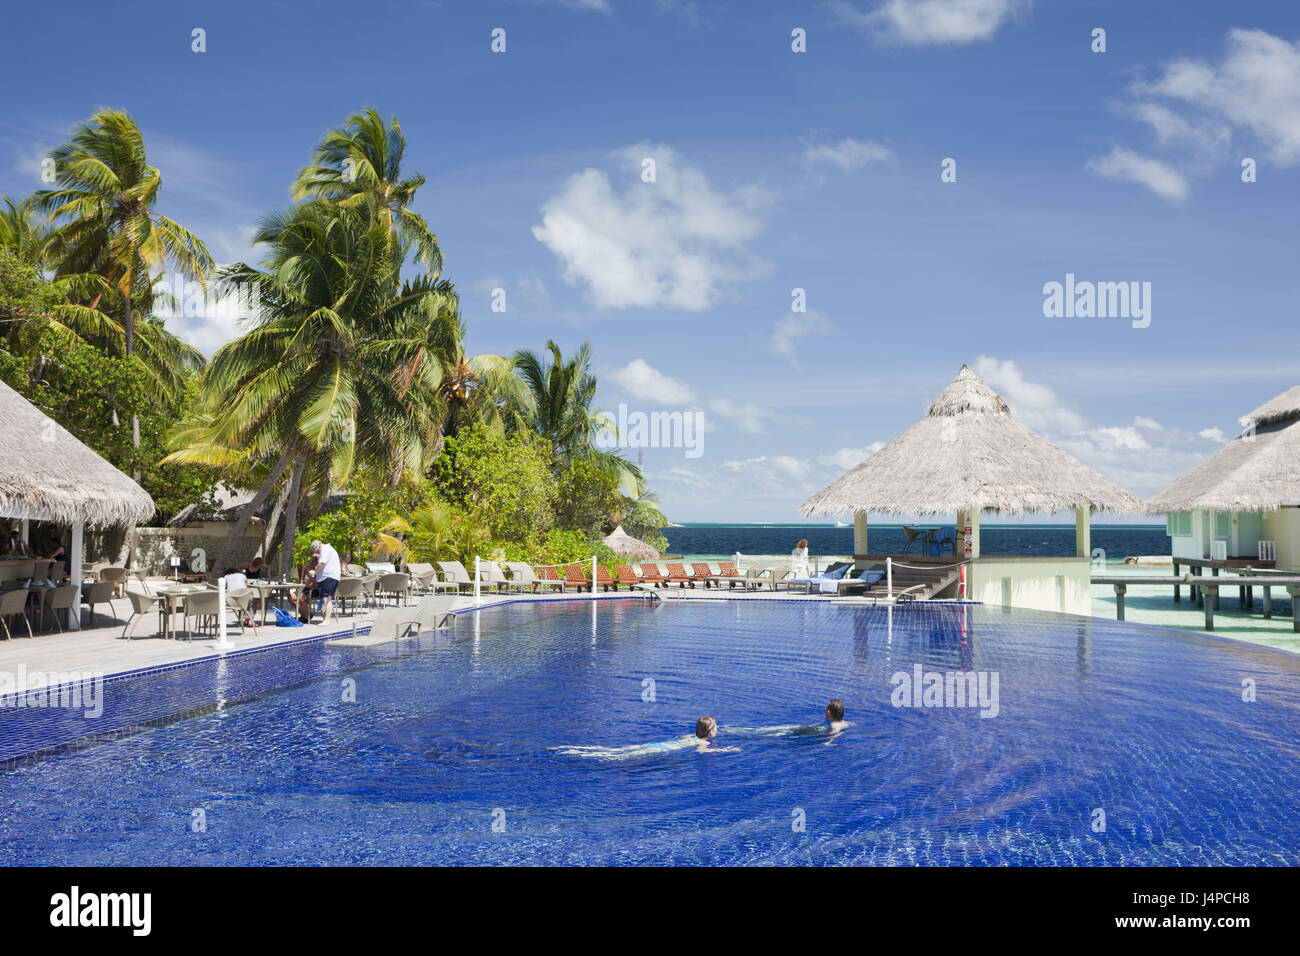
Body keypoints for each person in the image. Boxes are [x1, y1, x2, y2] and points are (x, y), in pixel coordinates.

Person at [551, 716, 739, 760]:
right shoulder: (701, 742)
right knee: (613, 756)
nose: (717, 729)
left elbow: (681, 739)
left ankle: (570, 748)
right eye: (716, 727)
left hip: (656, 744)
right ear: (710, 732)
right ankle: (575, 753)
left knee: (614, 751)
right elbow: (703, 751)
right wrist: (726, 750)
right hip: (659, 749)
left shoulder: (690, 736)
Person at [310, 539, 341, 625]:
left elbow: (321, 564)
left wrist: (314, 572)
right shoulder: (327, 549)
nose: (318, 552)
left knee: (326, 599)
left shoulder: (325, 550)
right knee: (326, 598)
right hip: (329, 577)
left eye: (317, 551)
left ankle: (327, 621)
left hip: (329, 577)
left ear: (319, 547)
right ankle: (326, 620)